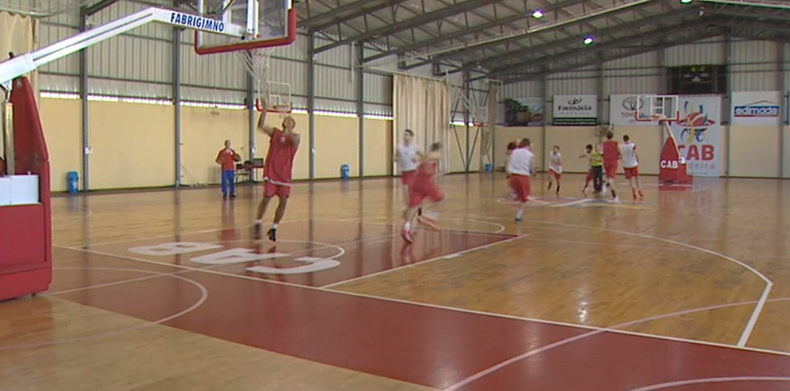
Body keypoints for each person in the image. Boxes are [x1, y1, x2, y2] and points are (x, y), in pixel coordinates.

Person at [253, 103, 300, 242]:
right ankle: (258, 222)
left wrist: (289, 129)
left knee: (284, 201)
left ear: (293, 125)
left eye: (291, 121)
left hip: (285, 175)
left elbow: (293, 140)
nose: (288, 120)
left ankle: (274, 228)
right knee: (266, 198)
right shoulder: (275, 133)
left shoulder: (296, 137)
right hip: (272, 172)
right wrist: (265, 111)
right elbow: (260, 126)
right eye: (287, 120)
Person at [401, 142, 444, 243]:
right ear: (439, 149)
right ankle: (429, 217)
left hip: (417, 182)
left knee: (413, 206)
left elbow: (424, 160)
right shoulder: (435, 154)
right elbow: (428, 157)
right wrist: (423, 160)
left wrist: (420, 160)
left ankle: (406, 228)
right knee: (439, 197)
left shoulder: (429, 158)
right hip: (425, 182)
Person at [394, 129, 423, 213]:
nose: (405, 137)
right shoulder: (399, 147)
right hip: (404, 172)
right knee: (405, 191)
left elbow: (423, 156)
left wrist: (417, 159)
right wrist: (397, 159)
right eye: (404, 135)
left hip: (413, 171)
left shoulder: (415, 147)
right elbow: (395, 157)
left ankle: (418, 205)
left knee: (412, 190)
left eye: (407, 135)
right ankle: (409, 206)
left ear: (411, 137)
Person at [507, 138, 534, 223]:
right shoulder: (529, 154)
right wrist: (533, 172)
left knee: (517, 193)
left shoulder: (514, 152)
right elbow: (531, 167)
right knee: (523, 198)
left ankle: (514, 193)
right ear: (528, 145)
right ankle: (518, 217)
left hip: (513, 176)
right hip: (523, 176)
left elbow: (508, 161)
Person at [620, 135, 644, 200]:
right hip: (633, 164)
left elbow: (621, 155)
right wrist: (637, 159)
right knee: (637, 177)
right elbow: (635, 153)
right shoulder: (632, 145)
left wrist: (623, 161)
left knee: (630, 179)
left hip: (626, 165)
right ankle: (639, 189)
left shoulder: (621, 146)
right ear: (628, 138)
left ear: (623, 139)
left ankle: (633, 190)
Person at [602, 131, 620, 202]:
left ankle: (606, 185)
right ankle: (615, 196)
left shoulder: (604, 144)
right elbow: (619, 152)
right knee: (611, 179)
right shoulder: (616, 143)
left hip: (606, 162)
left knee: (609, 178)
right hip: (613, 162)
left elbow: (602, 152)